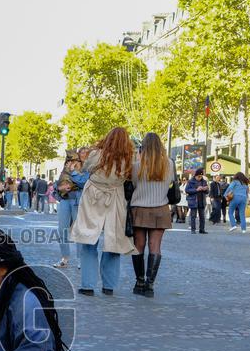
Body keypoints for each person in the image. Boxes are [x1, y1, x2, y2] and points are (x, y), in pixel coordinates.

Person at [69, 127, 135, 296]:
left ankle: (88, 285)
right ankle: (109, 285)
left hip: (93, 196)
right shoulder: (129, 159)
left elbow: (86, 170)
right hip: (116, 197)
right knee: (114, 241)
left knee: (88, 239)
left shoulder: (96, 154)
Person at [131, 133, 174, 297]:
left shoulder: (137, 166)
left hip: (139, 209)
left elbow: (134, 184)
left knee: (138, 245)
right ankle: (150, 285)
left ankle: (139, 281)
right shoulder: (169, 164)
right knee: (155, 246)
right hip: (160, 209)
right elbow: (171, 183)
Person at [54, 148, 89, 268]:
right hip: (65, 200)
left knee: (79, 231)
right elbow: (59, 181)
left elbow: (83, 183)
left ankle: (81, 259)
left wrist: (73, 172)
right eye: (82, 152)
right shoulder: (69, 164)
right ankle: (64, 258)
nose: (84, 154)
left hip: (78, 201)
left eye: (86, 152)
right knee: (62, 230)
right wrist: (59, 188)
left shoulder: (88, 168)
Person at [185, 167, 209, 234]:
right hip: (194, 201)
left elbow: (207, 191)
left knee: (202, 216)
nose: (200, 177)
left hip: (201, 201)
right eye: (199, 176)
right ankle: (193, 229)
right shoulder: (190, 181)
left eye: (201, 176)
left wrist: (205, 189)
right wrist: (196, 190)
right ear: (195, 175)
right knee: (193, 216)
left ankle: (202, 229)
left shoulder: (204, 181)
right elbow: (187, 190)